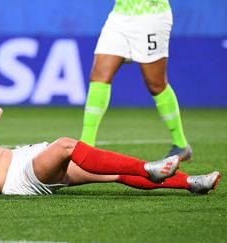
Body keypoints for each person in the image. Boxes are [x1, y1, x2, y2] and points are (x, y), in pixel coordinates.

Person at [0, 81, 220, 197]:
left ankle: (191, 182)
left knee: (114, 173)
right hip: (15, 181)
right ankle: (150, 166)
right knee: (67, 145)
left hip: (24, 157)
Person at [79, 0, 192, 161]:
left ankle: (181, 145)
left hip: (151, 14)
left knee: (156, 84)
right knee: (99, 75)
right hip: (121, 14)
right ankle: (86, 145)